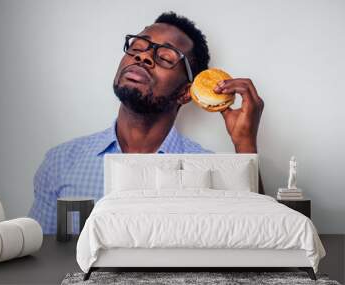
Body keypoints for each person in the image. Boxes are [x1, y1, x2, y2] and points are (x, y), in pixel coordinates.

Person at [28, 11, 264, 234]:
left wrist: (245, 143)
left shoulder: (210, 171)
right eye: (137, 47)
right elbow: (42, 260)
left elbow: (259, 238)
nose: (143, 57)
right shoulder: (60, 162)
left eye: (164, 57)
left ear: (185, 92)